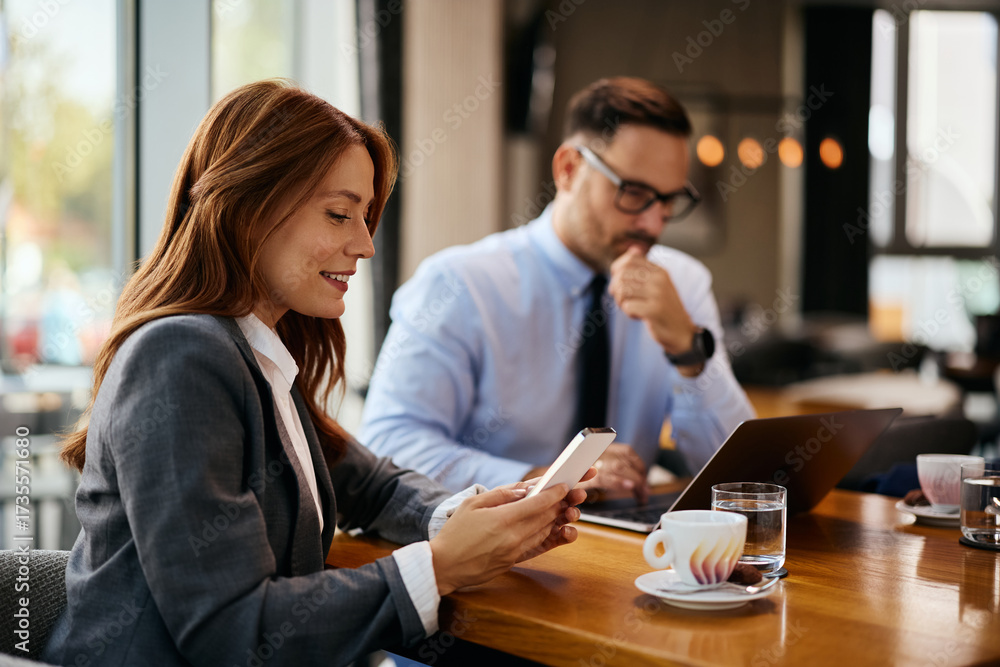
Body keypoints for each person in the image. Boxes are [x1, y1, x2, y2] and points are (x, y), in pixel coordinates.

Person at [42, 80, 590, 667]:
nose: (366, 245)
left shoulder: (255, 353)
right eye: (339, 214)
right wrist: (441, 565)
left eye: (366, 217)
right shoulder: (179, 357)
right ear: (249, 207)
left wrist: (478, 520)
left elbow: (371, 485)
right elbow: (232, 633)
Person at [360, 76, 755, 501]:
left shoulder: (683, 284)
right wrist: (547, 479)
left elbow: (744, 476)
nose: (652, 223)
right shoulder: (459, 284)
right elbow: (388, 445)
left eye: (668, 200)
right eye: (634, 192)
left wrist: (690, 352)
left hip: (629, 537)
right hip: (497, 536)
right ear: (568, 169)